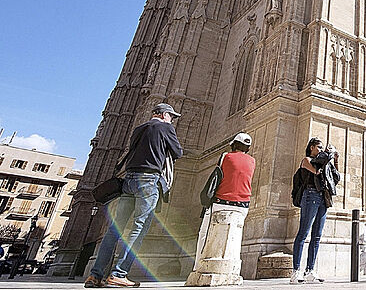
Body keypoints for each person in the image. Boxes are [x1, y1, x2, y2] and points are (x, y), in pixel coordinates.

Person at [84, 103, 184, 288]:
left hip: (129, 180)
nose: (173, 120)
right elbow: (178, 152)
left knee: (115, 229)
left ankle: (95, 275)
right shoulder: (165, 127)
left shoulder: (139, 128)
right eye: (171, 116)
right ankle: (118, 273)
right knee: (139, 227)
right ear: (163, 115)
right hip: (148, 180)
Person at [192, 132, 255, 271]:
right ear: (248, 148)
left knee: (204, 233)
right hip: (243, 205)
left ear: (234, 144)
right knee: (236, 235)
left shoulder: (225, 156)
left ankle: (198, 266)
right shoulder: (252, 161)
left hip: (222, 202)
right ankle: (232, 268)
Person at [290, 138, 340, 284]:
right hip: (310, 195)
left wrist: (335, 161)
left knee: (316, 236)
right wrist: (325, 154)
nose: (320, 149)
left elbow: (335, 178)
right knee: (303, 233)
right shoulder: (307, 160)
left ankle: (310, 270)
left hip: (323, 198)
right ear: (311, 147)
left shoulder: (323, 161)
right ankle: (296, 271)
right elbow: (316, 171)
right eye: (318, 147)